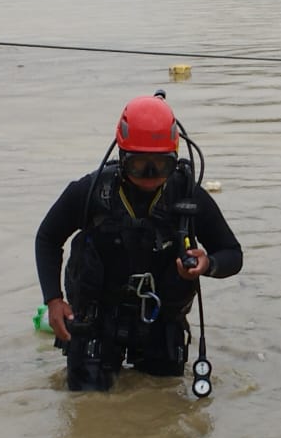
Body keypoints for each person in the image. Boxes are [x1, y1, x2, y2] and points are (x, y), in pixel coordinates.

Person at [35, 93, 243, 391]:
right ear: (122, 157)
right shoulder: (91, 192)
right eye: (139, 165)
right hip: (97, 320)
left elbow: (233, 254)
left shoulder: (188, 197)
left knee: (164, 409)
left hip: (161, 323)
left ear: (174, 159)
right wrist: (53, 300)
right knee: (86, 403)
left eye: (160, 166)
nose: (149, 176)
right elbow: (47, 237)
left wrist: (208, 264)